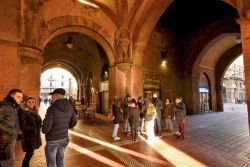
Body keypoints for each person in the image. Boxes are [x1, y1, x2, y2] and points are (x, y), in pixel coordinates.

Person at [42, 88, 77, 167]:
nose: (52, 97)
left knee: (51, 163)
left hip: (52, 140)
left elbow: (45, 129)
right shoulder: (70, 106)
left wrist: (43, 127)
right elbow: (74, 121)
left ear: (56, 95)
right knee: (60, 161)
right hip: (64, 138)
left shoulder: (52, 108)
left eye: (53, 95)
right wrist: (64, 127)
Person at [0, 89, 23, 167]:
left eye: (22, 97)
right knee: (9, 162)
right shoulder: (4, 106)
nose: (21, 99)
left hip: (11, 138)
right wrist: (13, 132)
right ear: (11, 96)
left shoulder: (13, 106)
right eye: (18, 97)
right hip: (5, 140)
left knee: (7, 161)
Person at [19, 97, 42, 167]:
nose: (31, 103)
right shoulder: (24, 112)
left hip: (34, 136)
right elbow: (23, 126)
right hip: (28, 137)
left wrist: (39, 121)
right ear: (26, 103)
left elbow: (38, 122)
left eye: (33, 102)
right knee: (29, 153)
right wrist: (34, 128)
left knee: (30, 153)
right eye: (29, 102)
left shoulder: (33, 111)